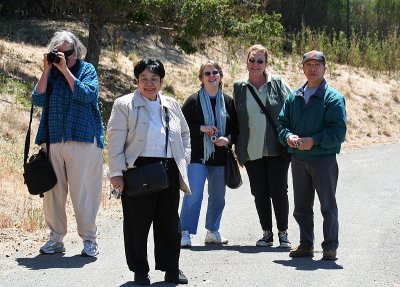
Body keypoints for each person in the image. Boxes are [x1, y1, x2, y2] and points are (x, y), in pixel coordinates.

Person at [107, 59, 190, 285]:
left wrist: (184, 158)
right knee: (137, 224)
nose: (149, 84)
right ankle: (140, 271)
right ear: (136, 81)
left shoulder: (171, 104)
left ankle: (172, 269)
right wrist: (116, 173)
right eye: (143, 79)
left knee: (170, 224)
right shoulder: (124, 105)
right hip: (137, 169)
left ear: (161, 81)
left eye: (154, 79)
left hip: (168, 169)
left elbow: (185, 134)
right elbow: (114, 143)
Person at [32, 30, 104, 257]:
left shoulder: (87, 69)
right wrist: (47, 69)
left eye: (68, 53)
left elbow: (87, 94)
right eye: (58, 53)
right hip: (53, 140)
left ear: (77, 51)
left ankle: (89, 239)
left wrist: (65, 71)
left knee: (83, 193)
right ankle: (55, 239)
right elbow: (37, 98)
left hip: (82, 139)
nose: (64, 57)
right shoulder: (50, 74)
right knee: (53, 192)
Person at [278, 50, 347, 260]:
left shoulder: (333, 98)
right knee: (301, 207)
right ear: (303, 68)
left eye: (317, 64)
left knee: (327, 205)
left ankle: (330, 247)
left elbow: (339, 132)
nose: (313, 68)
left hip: (323, 160)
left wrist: (314, 141)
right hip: (299, 161)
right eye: (308, 64)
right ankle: (306, 245)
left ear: (325, 69)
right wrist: (288, 136)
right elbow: (282, 124)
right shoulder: (294, 96)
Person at [233, 44, 292, 248]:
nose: (255, 64)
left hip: (276, 147)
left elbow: (292, 108)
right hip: (251, 148)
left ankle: (283, 233)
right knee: (259, 191)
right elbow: (236, 119)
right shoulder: (239, 87)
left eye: (260, 60)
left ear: (266, 63)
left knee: (278, 190)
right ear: (246, 62)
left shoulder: (278, 83)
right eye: (252, 60)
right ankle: (267, 233)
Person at [179, 60, 239, 248]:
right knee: (193, 195)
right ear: (201, 78)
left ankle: (213, 231)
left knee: (218, 196)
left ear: (220, 76)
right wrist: (201, 128)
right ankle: (185, 232)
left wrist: (228, 140)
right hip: (198, 156)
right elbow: (181, 127)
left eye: (215, 72)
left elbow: (236, 129)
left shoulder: (228, 102)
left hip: (220, 158)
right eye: (207, 73)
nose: (212, 76)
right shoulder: (193, 101)